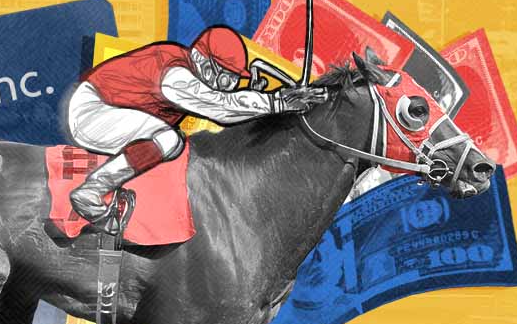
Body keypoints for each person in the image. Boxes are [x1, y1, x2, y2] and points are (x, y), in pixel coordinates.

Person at [67, 25, 329, 225]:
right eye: (226, 79)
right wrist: (276, 102)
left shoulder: (186, 68)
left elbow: (222, 100)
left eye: (233, 81)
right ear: (205, 62)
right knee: (168, 140)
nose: (228, 86)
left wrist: (262, 99)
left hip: (110, 111)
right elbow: (220, 106)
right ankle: (91, 192)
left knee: (172, 143)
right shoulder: (177, 76)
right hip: (93, 112)